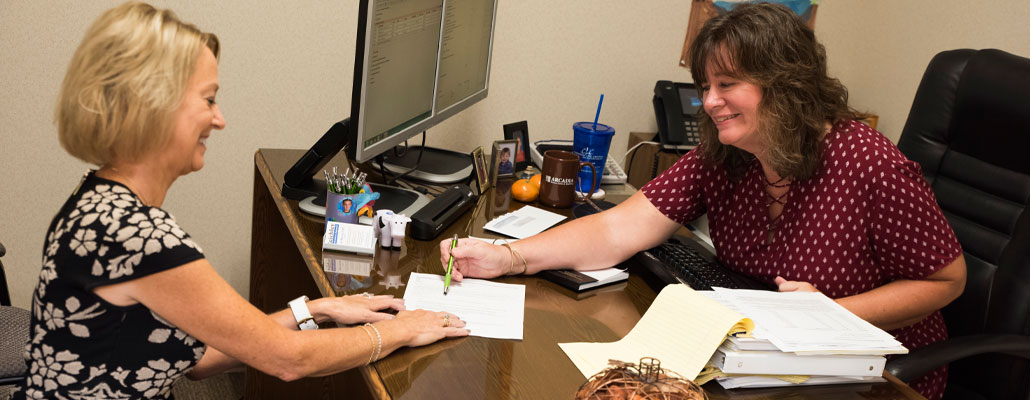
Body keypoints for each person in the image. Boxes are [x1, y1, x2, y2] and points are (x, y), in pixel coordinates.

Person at [440, 3, 964, 399]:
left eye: (727, 83)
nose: (708, 101)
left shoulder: (868, 163)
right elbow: (617, 230)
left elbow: (947, 280)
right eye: (706, 85)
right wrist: (509, 257)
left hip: (871, 375)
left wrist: (832, 314)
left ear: (786, 85)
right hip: (763, 359)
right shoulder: (726, 153)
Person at [14, 3, 467, 399]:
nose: (220, 119)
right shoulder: (139, 239)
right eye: (209, 100)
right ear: (152, 106)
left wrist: (316, 309)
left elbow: (194, 359)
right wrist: (398, 330)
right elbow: (290, 361)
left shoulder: (97, 200)